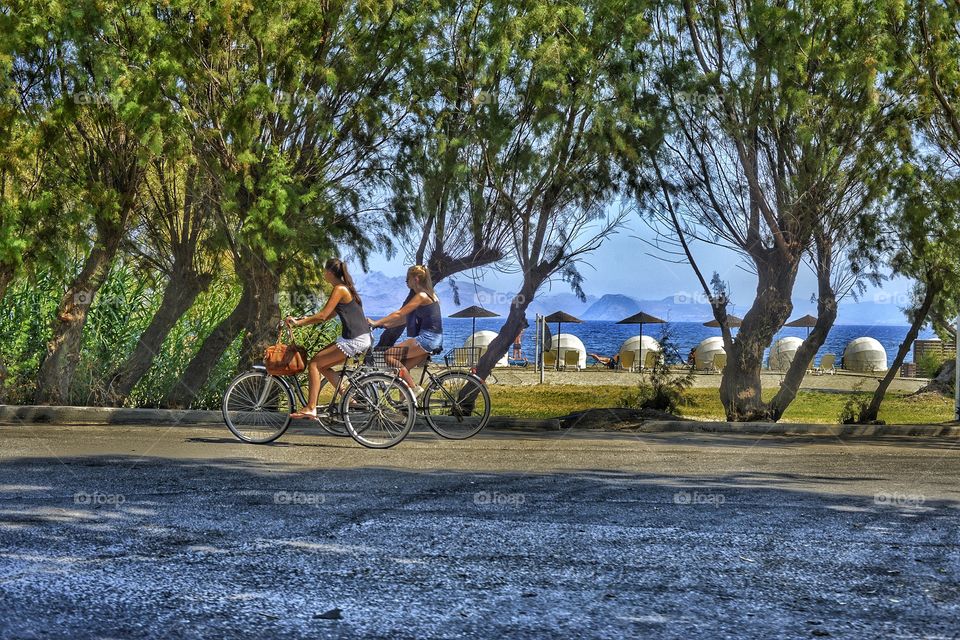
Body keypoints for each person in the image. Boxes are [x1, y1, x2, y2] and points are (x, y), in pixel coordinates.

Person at [284, 258, 371, 420]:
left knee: (314, 364)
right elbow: (330, 315)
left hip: (354, 338)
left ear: (330, 273)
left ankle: (311, 407)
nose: (324, 274)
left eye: (325, 271)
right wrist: (303, 319)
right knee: (322, 365)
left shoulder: (339, 289)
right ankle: (348, 397)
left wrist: (298, 324)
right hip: (359, 336)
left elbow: (323, 316)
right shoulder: (345, 288)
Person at [369, 265, 443, 397]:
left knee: (388, 355)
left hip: (427, 339)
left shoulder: (421, 295)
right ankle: (406, 406)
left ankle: (414, 389)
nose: (406, 282)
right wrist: (385, 325)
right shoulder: (431, 295)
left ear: (415, 279)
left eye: (407, 279)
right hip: (434, 339)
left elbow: (399, 313)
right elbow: (404, 319)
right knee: (403, 369)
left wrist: (376, 322)